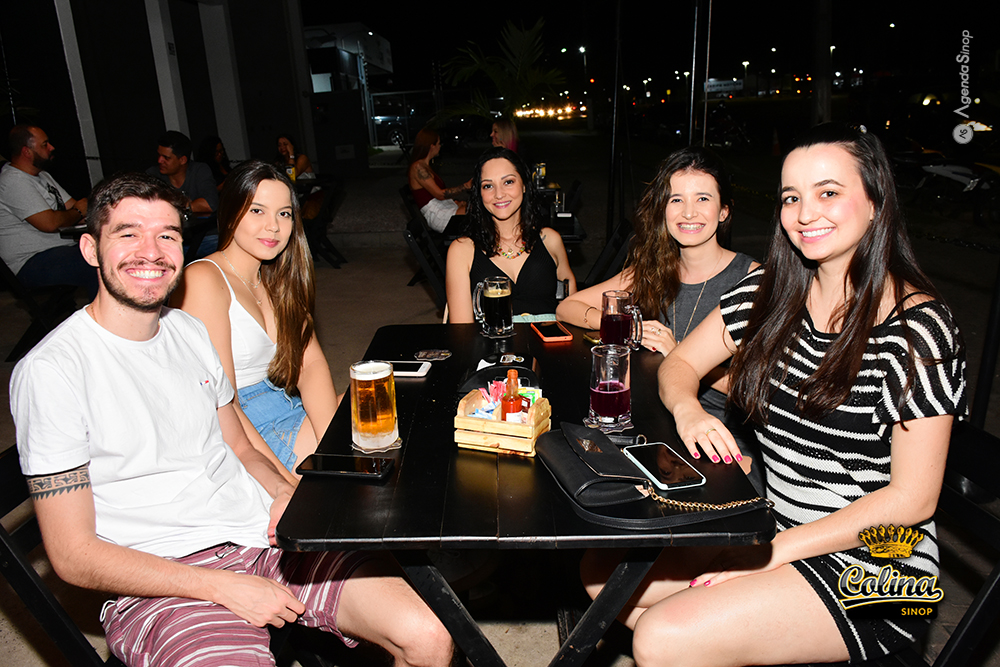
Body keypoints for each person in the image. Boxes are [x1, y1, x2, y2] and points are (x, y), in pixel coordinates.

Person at [11, 171, 453, 667]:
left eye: (167, 235)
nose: (151, 251)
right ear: (91, 249)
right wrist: (220, 586)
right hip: (164, 581)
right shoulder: (52, 372)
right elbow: (72, 555)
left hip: (257, 535)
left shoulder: (187, 331)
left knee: (430, 635)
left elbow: (240, 444)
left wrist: (284, 493)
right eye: (129, 234)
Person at [583, 124, 967, 666]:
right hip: (776, 524)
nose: (806, 213)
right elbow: (679, 364)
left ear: (876, 202)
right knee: (603, 577)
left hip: (882, 567)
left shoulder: (918, 327)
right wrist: (689, 411)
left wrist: (771, 554)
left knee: (662, 636)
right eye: (791, 197)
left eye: (828, 192)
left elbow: (913, 499)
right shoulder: (770, 295)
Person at [557, 147, 761, 490]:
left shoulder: (751, 280)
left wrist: (678, 353)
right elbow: (568, 307)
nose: (689, 212)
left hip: (714, 434)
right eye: (675, 200)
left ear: (724, 210)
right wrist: (622, 325)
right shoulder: (653, 269)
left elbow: (754, 391)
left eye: (703, 199)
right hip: (651, 422)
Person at [172, 160, 335, 478]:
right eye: (257, 211)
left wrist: (333, 444)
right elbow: (223, 402)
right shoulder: (204, 279)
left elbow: (310, 366)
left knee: (386, 410)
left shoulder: (277, 278)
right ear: (231, 212)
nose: (273, 226)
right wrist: (281, 483)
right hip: (243, 429)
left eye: (284, 214)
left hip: (285, 404)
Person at [447, 146, 576, 321]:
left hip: (549, 337)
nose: (499, 194)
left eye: (508, 182)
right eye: (488, 186)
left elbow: (573, 311)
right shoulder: (462, 250)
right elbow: (462, 329)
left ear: (524, 185)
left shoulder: (550, 240)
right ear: (479, 193)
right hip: (490, 338)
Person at [0, 124, 97, 296]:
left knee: (110, 251)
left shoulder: (43, 176)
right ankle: (108, 313)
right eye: (45, 144)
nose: (52, 148)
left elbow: (76, 210)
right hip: (30, 262)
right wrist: (78, 212)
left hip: (59, 251)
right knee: (98, 262)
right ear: (27, 152)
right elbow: (50, 223)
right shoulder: (12, 181)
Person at [408, 128, 470, 233]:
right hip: (439, 216)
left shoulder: (424, 166)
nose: (440, 146)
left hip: (442, 210)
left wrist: (455, 202)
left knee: (479, 207)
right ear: (431, 146)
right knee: (480, 210)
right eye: (438, 143)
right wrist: (465, 186)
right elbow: (440, 194)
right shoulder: (418, 167)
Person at [145, 130, 219, 215]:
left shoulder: (199, 170)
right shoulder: (153, 175)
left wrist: (175, 206)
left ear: (182, 160)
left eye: (166, 158)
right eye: (159, 155)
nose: (160, 160)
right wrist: (188, 205)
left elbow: (210, 204)